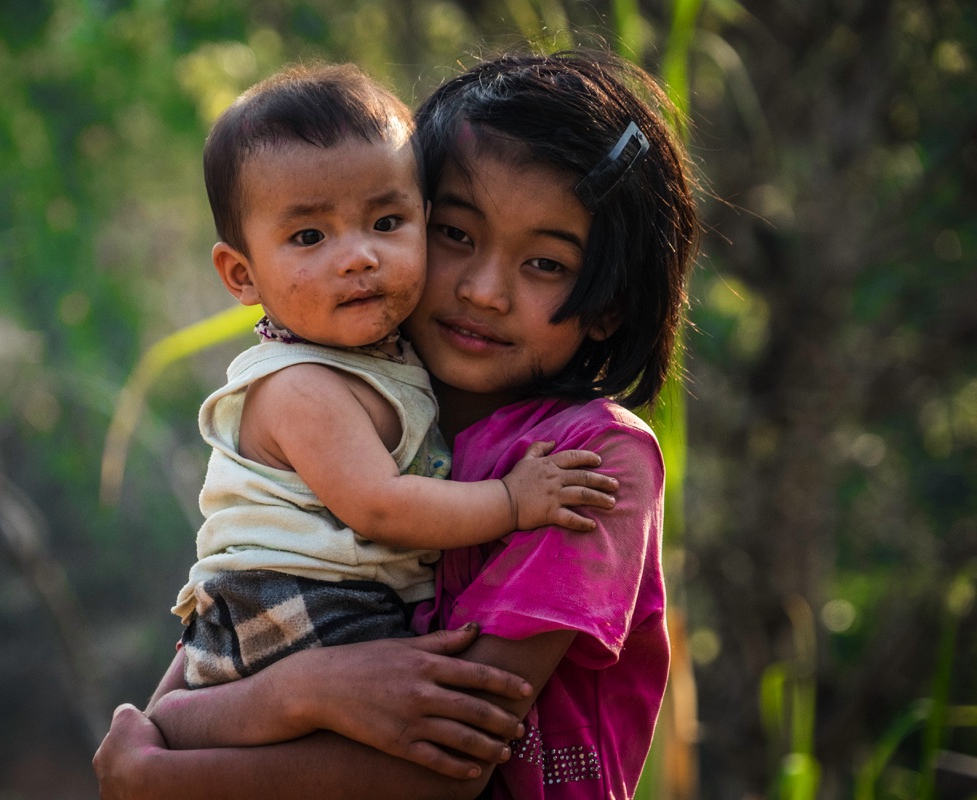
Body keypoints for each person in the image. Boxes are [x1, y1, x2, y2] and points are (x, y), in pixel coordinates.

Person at [94, 48, 700, 800]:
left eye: (545, 264)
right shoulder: (355, 400)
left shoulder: (590, 462)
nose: (483, 291)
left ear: (608, 303)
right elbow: (181, 699)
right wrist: (299, 693)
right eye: (455, 234)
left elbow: (446, 766)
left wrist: (166, 771)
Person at [174, 63, 615, 692]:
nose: (359, 256)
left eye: (386, 224)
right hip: (289, 607)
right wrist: (513, 502)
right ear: (242, 275)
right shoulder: (301, 386)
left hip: (334, 606)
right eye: (308, 236)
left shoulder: (386, 357)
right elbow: (381, 505)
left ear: (423, 218)